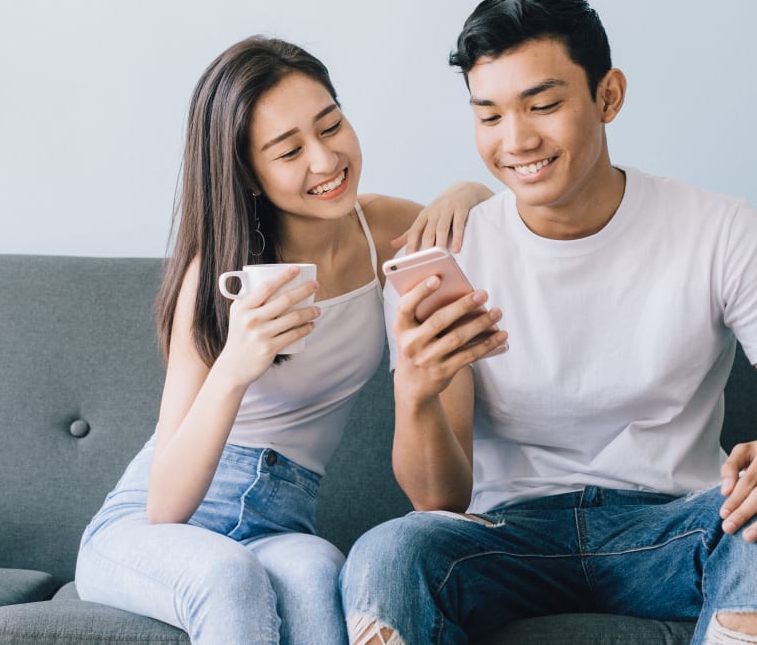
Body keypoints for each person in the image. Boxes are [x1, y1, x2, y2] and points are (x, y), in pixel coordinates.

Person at [340, 0, 757, 645]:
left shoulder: (721, 231)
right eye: (489, 116)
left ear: (608, 96)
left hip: (677, 525)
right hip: (508, 537)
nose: (517, 140)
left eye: (542, 105)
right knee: (387, 554)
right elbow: (438, 503)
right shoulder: (452, 254)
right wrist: (418, 392)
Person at [74, 36, 492, 645]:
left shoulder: (386, 230)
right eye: (289, 150)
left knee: (321, 572)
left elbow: (482, 209)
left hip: (282, 520)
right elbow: (165, 506)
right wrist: (236, 365)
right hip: (149, 527)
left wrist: (462, 192)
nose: (325, 161)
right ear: (248, 171)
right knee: (228, 577)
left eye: (331, 126)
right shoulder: (217, 273)